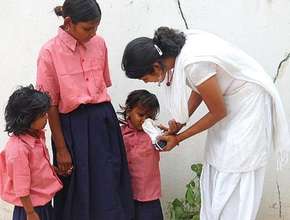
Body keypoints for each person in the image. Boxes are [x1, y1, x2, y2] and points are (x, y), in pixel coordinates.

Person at [121, 27, 290, 220]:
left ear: (156, 67)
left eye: (145, 78)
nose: (148, 82)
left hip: (248, 106)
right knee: (217, 160)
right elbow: (199, 87)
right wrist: (179, 123)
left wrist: (179, 138)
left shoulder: (193, 63)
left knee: (235, 168)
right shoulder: (178, 52)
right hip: (229, 101)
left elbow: (218, 111)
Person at [36, 1, 134, 219]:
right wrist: (61, 148)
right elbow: (50, 104)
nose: (93, 33)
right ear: (69, 23)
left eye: (96, 27)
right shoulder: (49, 53)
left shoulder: (99, 44)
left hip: (104, 121)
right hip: (72, 127)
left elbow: (102, 85)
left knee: (110, 181)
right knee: (77, 191)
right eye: (88, 28)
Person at [0, 85, 63, 220]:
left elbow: (36, 168)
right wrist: (30, 213)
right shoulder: (19, 150)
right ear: (26, 119)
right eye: (42, 115)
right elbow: (21, 186)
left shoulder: (37, 136)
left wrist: (51, 171)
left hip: (43, 204)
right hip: (30, 209)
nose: (46, 117)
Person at [119, 90, 163, 220]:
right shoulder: (120, 134)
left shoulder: (154, 134)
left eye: (149, 117)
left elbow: (165, 145)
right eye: (140, 115)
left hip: (149, 196)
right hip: (127, 194)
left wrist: (167, 134)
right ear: (129, 111)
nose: (144, 120)